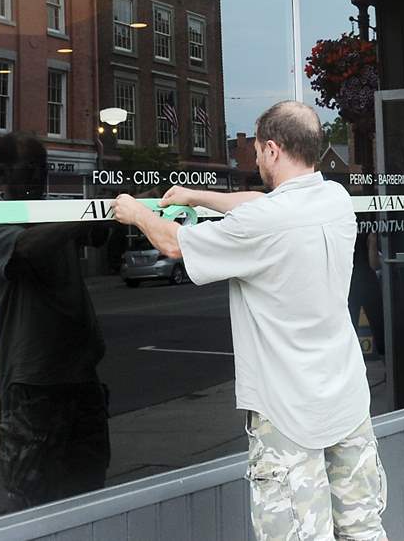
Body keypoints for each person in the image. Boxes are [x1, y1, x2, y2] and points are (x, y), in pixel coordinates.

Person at [112, 101, 388, 541]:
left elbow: (174, 244)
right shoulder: (334, 199)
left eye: (258, 150)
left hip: (287, 412)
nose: (256, 158)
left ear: (274, 150)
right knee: (363, 528)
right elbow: (262, 203)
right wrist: (196, 195)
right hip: (347, 396)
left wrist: (135, 211)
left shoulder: (263, 223)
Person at [0, 132, 110, 511]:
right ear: (2, 172)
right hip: (33, 379)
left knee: (88, 487)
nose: (39, 177)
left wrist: (104, 217)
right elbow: (26, 251)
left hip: (80, 373)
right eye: (29, 168)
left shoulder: (53, 211)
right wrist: (82, 215)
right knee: (33, 493)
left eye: (43, 168)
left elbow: (97, 236)